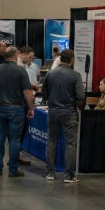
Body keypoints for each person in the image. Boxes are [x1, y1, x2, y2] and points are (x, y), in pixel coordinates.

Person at [0, 47, 34, 177]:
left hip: (0, 107)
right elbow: (27, 92)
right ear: (15, 56)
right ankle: (13, 169)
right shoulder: (20, 71)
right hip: (16, 108)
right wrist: (31, 108)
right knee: (14, 140)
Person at [42, 49, 84, 183]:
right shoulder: (75, 75)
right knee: (70, 144)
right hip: (69, 112)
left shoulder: (50, 74)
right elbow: (80, 96)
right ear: (71, 59)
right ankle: (69, 175)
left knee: (51, 141)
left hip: (53, 111)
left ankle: (50, 173)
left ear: (60, 59)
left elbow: (44, 93)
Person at [15, 46, 40, 165]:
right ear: (22, 54)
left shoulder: (27, 66)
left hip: (24, 100)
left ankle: (16, 156)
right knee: (18, 132)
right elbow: (24, 88)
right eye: (29, 57)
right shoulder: (19, 67)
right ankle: (15, 158)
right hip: (22, 102)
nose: (31, 59)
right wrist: (30, 107)